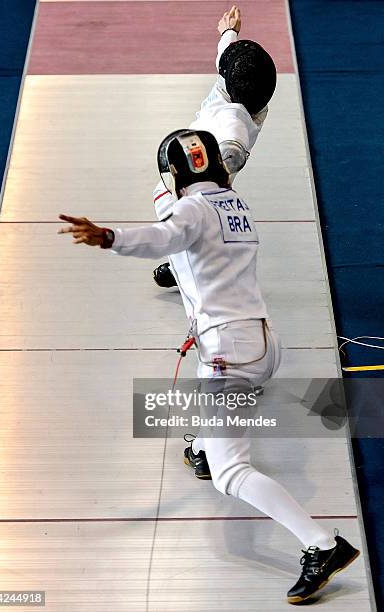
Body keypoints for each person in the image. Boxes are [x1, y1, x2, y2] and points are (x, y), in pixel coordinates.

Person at [58, 129, 360, 604]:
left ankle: (321, 545)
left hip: (229, 352)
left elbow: (164, 235)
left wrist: (109, 237)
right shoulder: (234, 204)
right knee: (215, 409)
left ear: (174, 173)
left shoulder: (191, 210)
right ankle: (203, 446)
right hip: (262, 343)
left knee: (231, 473)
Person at [153, 5, 276, 288]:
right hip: (197, 163)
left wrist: (217, 167)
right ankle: (186, 261)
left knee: (173, 212)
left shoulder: (235, 119)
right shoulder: (237, 88)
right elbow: (226, 57)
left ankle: (191, 271)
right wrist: (228, 32)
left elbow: (233, 148)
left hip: (200, 177)